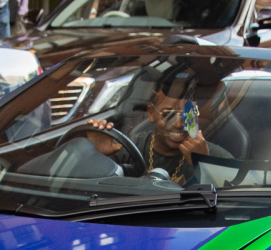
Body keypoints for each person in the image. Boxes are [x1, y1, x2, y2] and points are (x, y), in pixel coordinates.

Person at [84, 68, 221, 185]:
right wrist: (95, 155)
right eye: (168, 114)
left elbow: (235, 198)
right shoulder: (129, 147)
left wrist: (204, 164)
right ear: (151, 113)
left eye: (188, 114)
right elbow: (88, 188)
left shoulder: (206, 153)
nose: (179, 124)